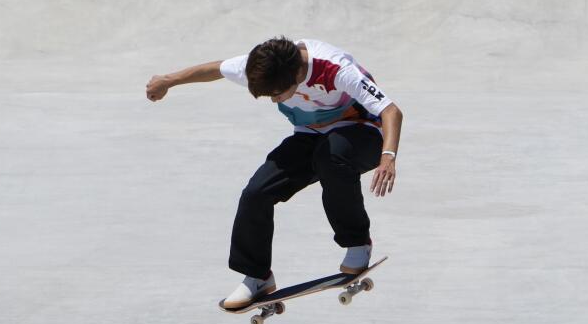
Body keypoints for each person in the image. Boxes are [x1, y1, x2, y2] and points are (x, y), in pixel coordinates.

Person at [146, 36, 403, 310]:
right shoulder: (260, 65)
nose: (274, 101)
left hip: (364, 131)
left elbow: (391, 111)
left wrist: (388, 157)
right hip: (311, 136)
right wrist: (168, 80)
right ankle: (257, 276)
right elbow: (216, 69)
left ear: (296, 75)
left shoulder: (334, 69)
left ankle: (357, 244)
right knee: (257, 192)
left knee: (330, 159)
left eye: (277, 95)